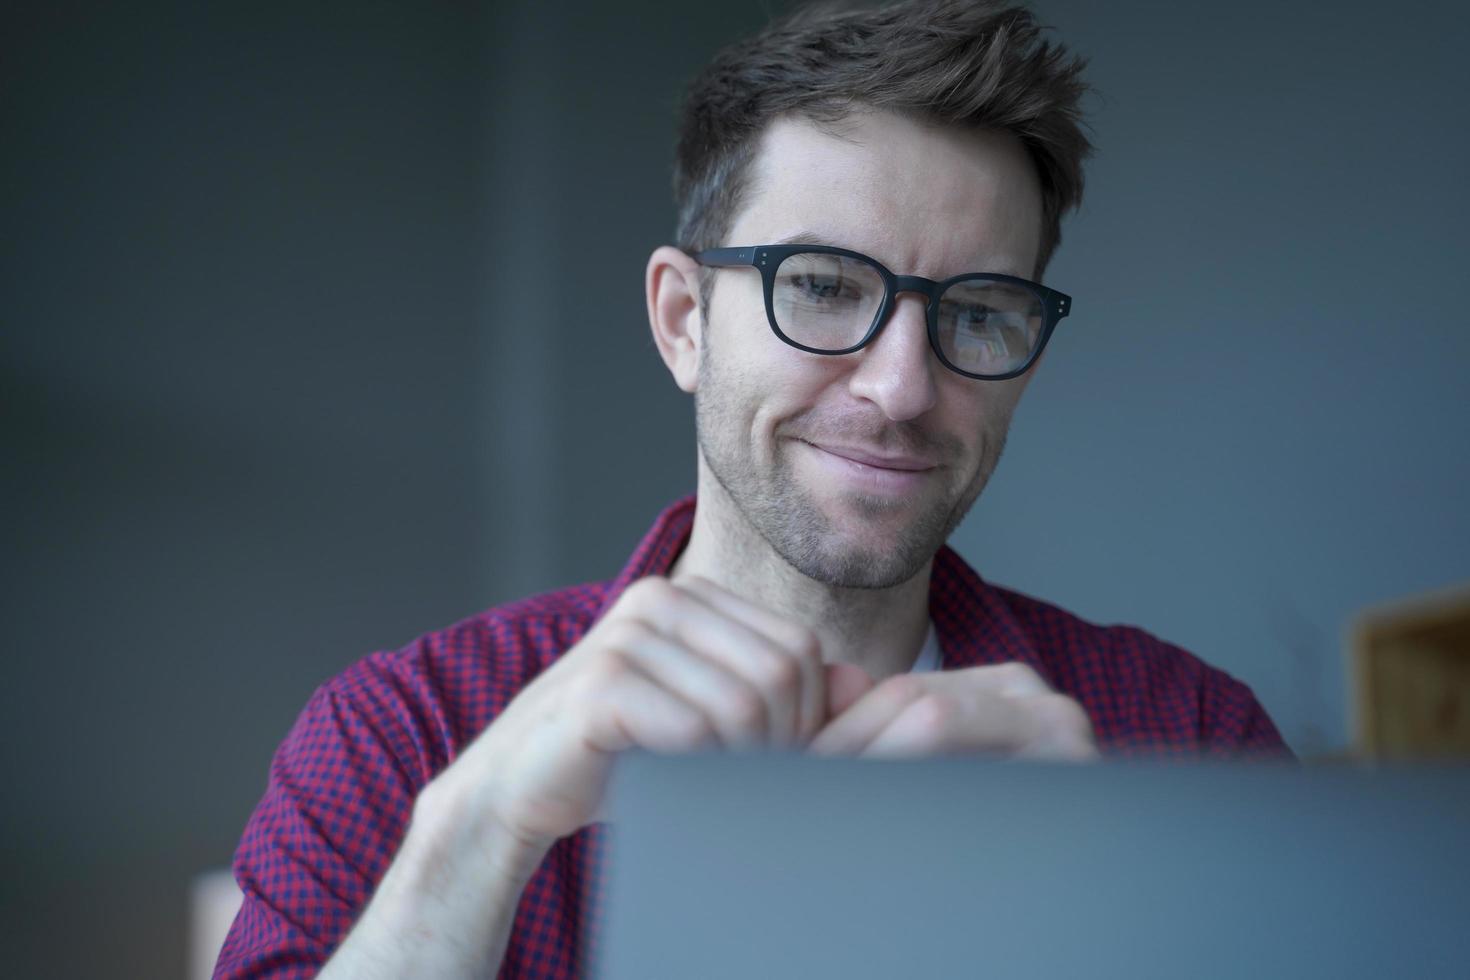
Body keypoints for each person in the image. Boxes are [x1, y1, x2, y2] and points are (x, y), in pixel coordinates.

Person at [215, 1, 1288, 976]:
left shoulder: (1190, 740)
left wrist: (1127, 912)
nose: (903, 386)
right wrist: (479, 833)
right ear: (684, 320)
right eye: (821, 287)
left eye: (977, 312)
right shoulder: (397, 740)